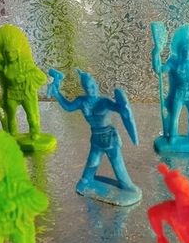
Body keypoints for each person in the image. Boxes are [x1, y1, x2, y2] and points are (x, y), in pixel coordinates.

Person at [48, 68, 139, 199]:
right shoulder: (82, 101)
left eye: (92, 86)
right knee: (93, 161)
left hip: (109, 138)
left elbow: (121, 110)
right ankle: (86, 180)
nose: (91, 89)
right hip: (96, 138)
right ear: (84, 89)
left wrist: (124, 106)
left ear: (96, 85)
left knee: (117, 162)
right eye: (87, 87)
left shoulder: (104, 101)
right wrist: (56, 92)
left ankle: (127, 186)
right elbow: (68, 106)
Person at [0, 24, 47, 139]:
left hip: (25, 94)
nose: (10, 55)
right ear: (4, 53)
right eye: (7, 53)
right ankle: (12, 135)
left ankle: (35, 132)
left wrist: (25, 77)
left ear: (17, 52)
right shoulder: (1, 64)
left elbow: (42, 77)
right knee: (10, 117)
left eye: (12, 52)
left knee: (32, 115)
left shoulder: (25, 65)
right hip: (10, 95)